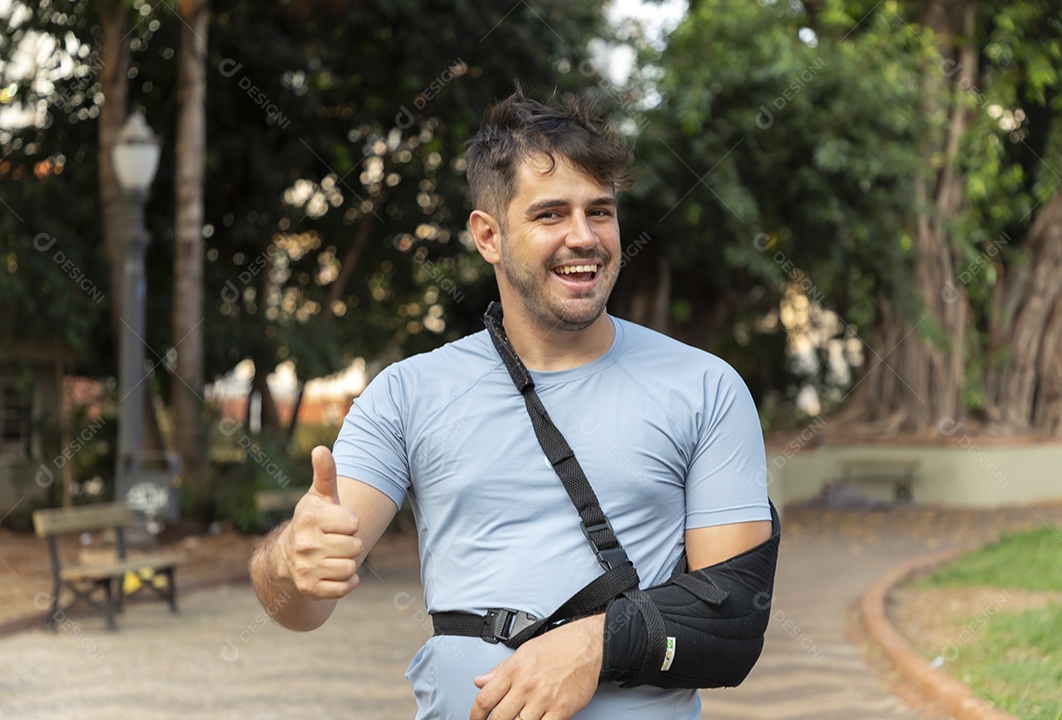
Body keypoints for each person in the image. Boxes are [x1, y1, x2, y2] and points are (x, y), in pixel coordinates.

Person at [249, 87, 774, 719]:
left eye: (600, 212)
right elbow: (301, 609)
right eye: (551, 214)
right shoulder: (407, 394)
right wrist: (289, 562)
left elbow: (732, 618)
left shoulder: (704, 388)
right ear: (488, 235)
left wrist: (593, 645)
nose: (584, 238)